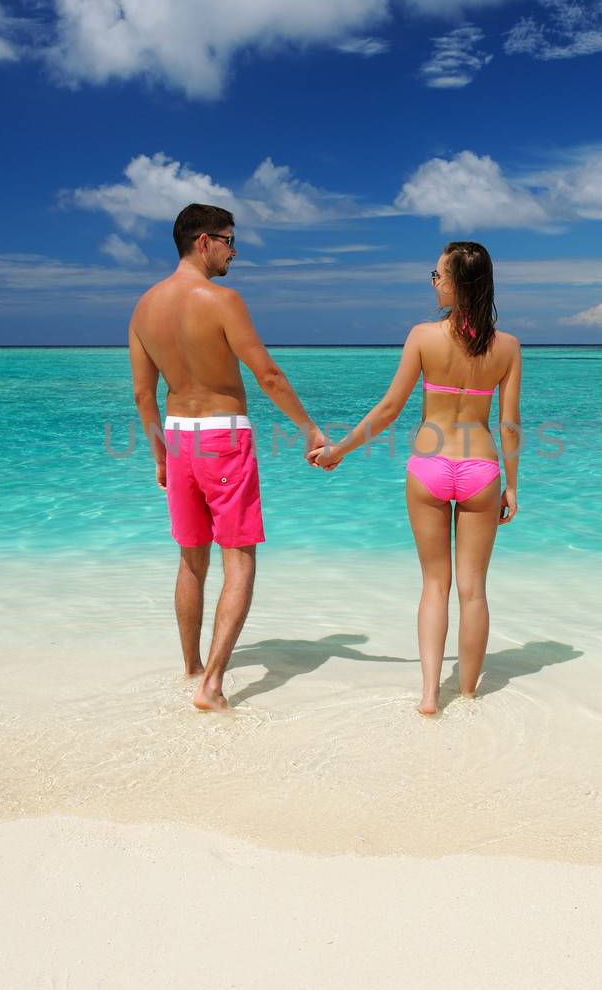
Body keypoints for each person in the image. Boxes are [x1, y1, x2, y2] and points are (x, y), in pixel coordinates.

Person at [128, 203, 326, 711]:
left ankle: (191, 664)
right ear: (203, 242)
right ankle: (212, 685)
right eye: (229, 241)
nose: (234, 252)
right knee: (238, 561)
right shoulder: (222, 300)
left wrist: (158, 454)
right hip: (223, 437)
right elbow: (269, 376)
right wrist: (308, 429)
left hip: (177, 440)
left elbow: (142, 396)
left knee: (191, 560)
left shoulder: (143, 309)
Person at [312, 241, 521, 715]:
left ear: (454, 282)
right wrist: (512, 485)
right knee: (473, 589)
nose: (433, 281)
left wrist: (339, 451)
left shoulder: (423, 336)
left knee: (434, 585)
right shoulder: (507, 347)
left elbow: (389, 408)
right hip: (482, 468)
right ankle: (467, 694)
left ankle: (430, 696)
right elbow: (510, 424)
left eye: (437, 274)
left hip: (429, 466)